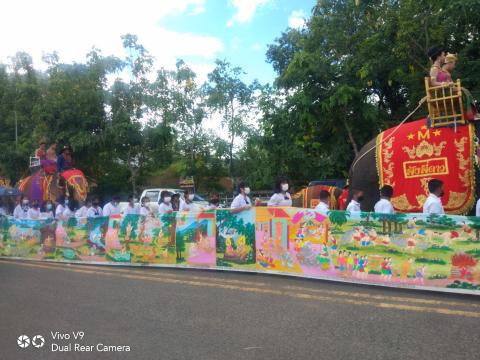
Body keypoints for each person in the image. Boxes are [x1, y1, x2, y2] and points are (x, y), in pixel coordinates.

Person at [437, 53, 479, 121]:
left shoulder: (444, 72)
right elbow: (445, 87)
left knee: (464, 90)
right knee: (464, 91)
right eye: (454, 63)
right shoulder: (443, 73)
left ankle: (472, 113)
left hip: (448, 92)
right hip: (446, 93)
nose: (454, 66)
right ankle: (470, 114)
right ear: (449, 63)